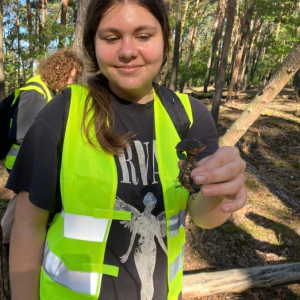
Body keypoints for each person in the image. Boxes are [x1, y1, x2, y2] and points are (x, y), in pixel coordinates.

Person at [7, 1, 247, 300]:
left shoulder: (190, 117)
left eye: (144, 36)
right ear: (92, 44)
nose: (127, 50)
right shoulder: (63, 113)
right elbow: (28, 225)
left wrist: (223, 190)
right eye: (111, 38)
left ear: (165, 41)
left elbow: (203, 216)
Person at [1, 48, 83, 248]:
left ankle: (7, 239)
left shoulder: (46, 91)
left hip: (30, 161)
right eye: (71, 76)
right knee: (23, 206)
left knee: (20, 206)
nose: (72, 82)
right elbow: (23, 133)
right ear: (59, 71)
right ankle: (7, 241)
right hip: (24, 161)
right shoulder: (36, 93)